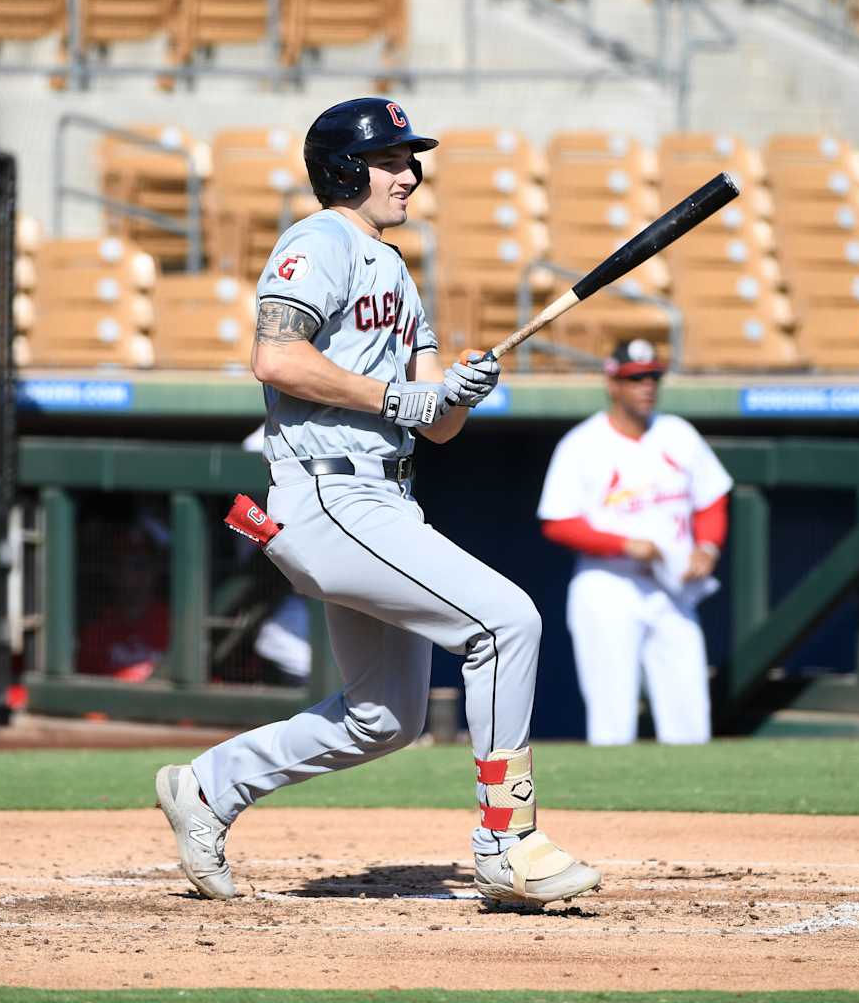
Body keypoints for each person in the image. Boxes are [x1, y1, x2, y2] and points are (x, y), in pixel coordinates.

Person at [154, 97, 601, 907]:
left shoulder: (395, 268)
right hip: (327, 490)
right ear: (345, 170)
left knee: (383, 718)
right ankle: (508, 839)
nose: (410, 173)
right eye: (392, 160)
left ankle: (208, 787)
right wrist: (401, 399)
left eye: (410, 159)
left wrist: (459, 392)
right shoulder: (316, 241)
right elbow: (275, 359)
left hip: (385, 495)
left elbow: (437, 425)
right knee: (506, 622)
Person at [536, 339, 733, 745]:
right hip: (609, 585)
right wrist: (623, 544)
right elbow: (557, 522)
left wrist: (709, 546)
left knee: (689, 718)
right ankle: (613, 809)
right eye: (636, 378)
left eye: (653, 377)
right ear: (613, 383)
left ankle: (696, 806)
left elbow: (712, 498)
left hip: (672, 587)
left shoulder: (678, 434)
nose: (647, 386)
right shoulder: (582, 444)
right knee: (613, 718)